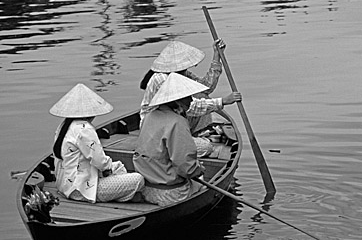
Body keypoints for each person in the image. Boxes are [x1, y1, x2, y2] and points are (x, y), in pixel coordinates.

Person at [139, 39, 241, 156]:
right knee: (206, 147)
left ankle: (185, 138)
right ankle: (174, 145)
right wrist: (222, 101)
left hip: (172, 125)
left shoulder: (182, 74)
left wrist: (216, 56)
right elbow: (191, 108)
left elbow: (205, 88)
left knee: (202, 96)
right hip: (157, 129)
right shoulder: (162, 79)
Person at [50, 83, 144, 203]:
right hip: (81, 190)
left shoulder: (63, 126)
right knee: (138, 179)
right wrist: (108, 169)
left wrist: (110, 168)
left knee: (118, 166)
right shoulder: (84, 128)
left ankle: (125, 194)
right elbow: (100, 161)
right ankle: (126, 195)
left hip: (65, 185)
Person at [133, 73, 210, 206]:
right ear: (178, 100)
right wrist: (199, 169)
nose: (191, 101)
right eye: (187, 97)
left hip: (147, 189)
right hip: (171, 194)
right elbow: (186, 167)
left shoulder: (149, 116)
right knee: (203, 183)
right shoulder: (177, 122)